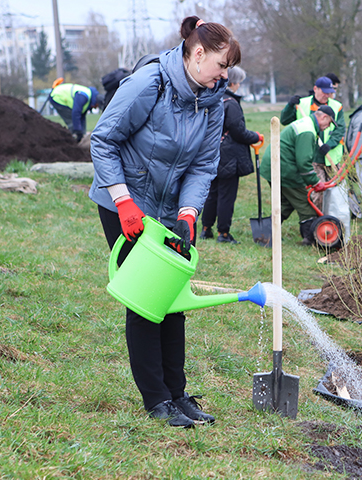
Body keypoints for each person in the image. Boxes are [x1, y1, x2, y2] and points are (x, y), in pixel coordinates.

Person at [89, 16, 241, 429]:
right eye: (221, 65)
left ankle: (178, 395)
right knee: (147, 299)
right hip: (125, 203)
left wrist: (189, 213)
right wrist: (123, 201)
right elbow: (102, 141)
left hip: (169, 211)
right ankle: (156, 399)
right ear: (197, 54)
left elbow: (204, 165)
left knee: (173, 301)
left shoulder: (212, 100)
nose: (224, 75)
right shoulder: (149, 83)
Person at [200, 66, 262, 243]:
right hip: (228, 156)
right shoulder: (231, 103)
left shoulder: (214, 98)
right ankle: (223, 233)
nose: (239, 86)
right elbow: (238, 132)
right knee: (226, 195)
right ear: (232, 82)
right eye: (239, 82)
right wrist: (256, 136)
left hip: (212, 152)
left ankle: (206, 228)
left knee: (212, 192)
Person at [259, 105, 337, 242]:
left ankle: (264, 234)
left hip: (274, 165)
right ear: (323, 117)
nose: (328, 127)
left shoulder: (306, 124)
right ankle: (310, 238)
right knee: (306, 205)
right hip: (283, 169)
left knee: (285, 204)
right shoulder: (307, 131)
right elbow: (303, 163)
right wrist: (315, 182)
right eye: (329, 123)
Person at [280, 76, 346, 173]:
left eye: (330, 92)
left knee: (335, 187)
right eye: (324, 92)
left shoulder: (337, 106)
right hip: (310, 158)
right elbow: (284, 120)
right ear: (315, 89)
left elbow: (340, 129)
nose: (327, 95)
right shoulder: (302, 104)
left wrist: (329, 144)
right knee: (317, 187)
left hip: (331, 157)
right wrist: (290, 106)